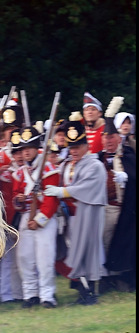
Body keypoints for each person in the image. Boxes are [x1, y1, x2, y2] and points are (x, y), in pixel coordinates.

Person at [44, 113, 107, 305]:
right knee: (69, 253)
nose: (74, 151)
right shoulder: (68, 164)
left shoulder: (94, 165)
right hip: (68, 215)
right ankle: (81, 289)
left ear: (86, 146)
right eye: (71, 147)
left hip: (86, 215)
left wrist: (61, 191)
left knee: (86, 252)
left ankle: (89, 293)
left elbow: (86, 188)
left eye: (78, 147)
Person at [11, 125, 61, 308]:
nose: (25, 152)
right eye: (23, 149)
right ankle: (30, 294)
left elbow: (51, 200)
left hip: (44, 220)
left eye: (29, 148)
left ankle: (47, 296)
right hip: (26, 217)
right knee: (24, 258)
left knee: (45, 260)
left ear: (37, 148)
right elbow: (15, 198)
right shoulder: (19, 172)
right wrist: (19, 199)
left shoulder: (49, 169)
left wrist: (39, 221)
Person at [101, 106, 136, 292]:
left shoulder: (127, 155)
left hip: (125, 208)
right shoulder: (98, 158)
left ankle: (124, 278)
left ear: (118, 139)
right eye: (105, 138)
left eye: (112, 138)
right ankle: (107, 278)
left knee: (125, 243)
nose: (108, 141)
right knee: (105, 243)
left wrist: (127, 178)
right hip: (106, 208)